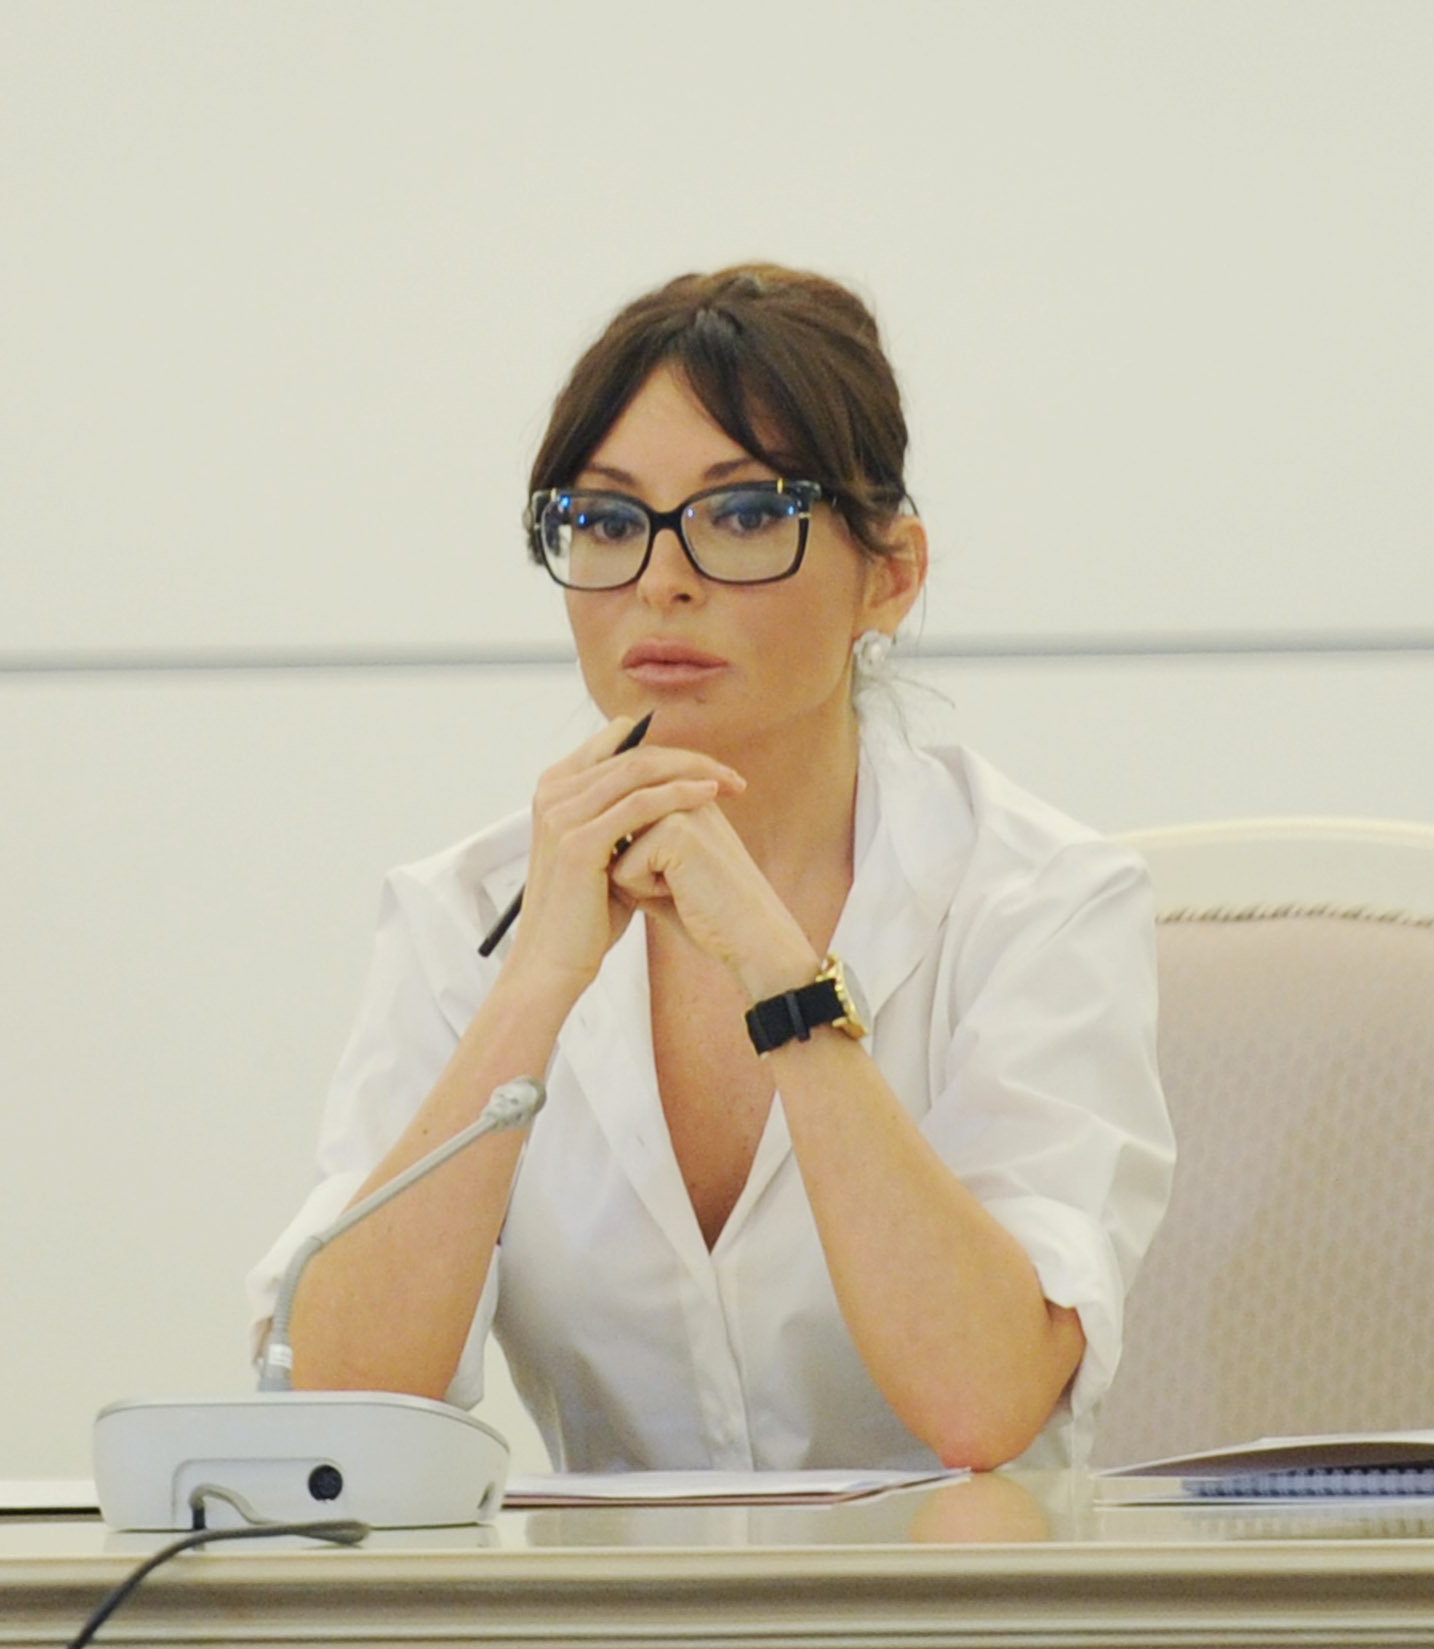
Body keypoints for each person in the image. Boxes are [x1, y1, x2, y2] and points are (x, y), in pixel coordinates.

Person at [249, 264, 1173, 1472]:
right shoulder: (463, 915)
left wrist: (783, 980)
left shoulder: (1039, 899)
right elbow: (330, 1414)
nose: (661, 579)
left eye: (742, 514)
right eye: (605, 521)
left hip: (952, 1580)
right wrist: (534, 988)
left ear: (889, 574)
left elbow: (983, 1401)